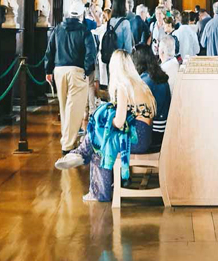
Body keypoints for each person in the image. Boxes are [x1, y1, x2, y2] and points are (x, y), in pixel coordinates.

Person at [55, 50, 156, 202]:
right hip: (145, 136)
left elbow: (120, 122)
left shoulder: (123, 86)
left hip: (136, 139)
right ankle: (80, 153)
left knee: (99, 145)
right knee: (102, 134)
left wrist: (109, 122)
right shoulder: (141, 84)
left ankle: (98, 191)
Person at [44, 0, 98, 153]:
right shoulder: (84, 31)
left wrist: (48, 71)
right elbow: (91, 53)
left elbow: (49, 51)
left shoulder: (58, 28)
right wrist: (87, 71)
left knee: (64, 106)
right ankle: (68, 144)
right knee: (75, 108)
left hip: (59, 70)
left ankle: (67, 139)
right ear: (81, 14)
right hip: (76, 70)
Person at [132, 44, 171, 149]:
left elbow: (137, 111)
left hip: (153, 134)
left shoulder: (145, 82)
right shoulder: (159, 76)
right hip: (163, 131)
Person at [92, 8, 112, 90]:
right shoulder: (111, 26)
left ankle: (104, 95)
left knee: (103, 76)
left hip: (103, 54)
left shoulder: (104, 27)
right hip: (112, 53)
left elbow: (94, 30)